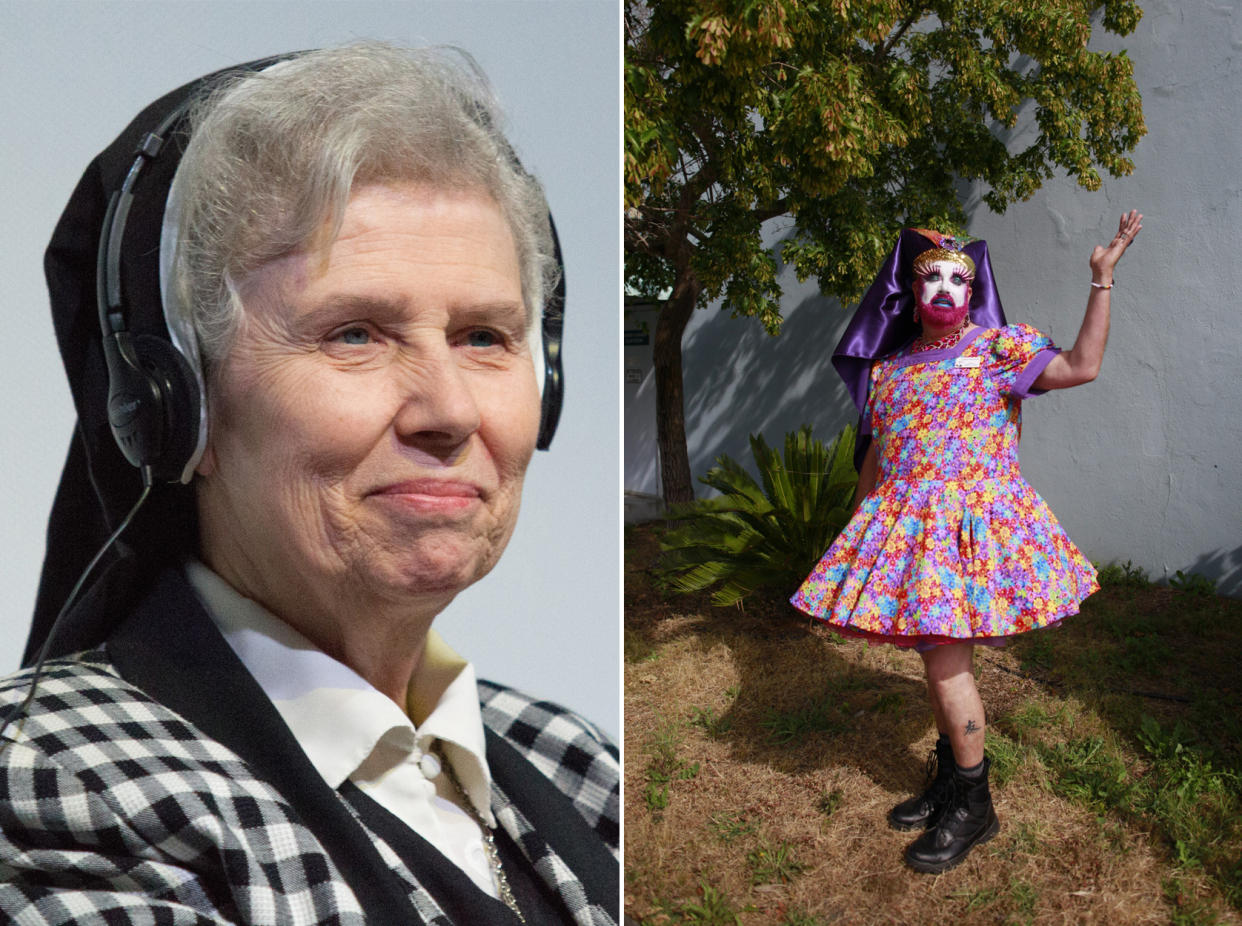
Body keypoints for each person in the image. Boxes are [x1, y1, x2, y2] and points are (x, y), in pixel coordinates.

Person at [0, 43, 618, 924]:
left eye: (485, 336)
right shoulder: (53, 786)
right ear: (177, 406)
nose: (448, 409)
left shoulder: (581, 763)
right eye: (355, 335)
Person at [791, 212, 1142, 874]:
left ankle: (975, 804)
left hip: (972, 530)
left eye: (960, 278)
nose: (947, 288)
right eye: (934, 279)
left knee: (947, 664)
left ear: (973, 292)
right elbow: (879, 458)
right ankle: (953, 777)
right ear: (910, 295)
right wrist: (864, 542)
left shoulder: (996, 350)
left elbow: (1082, 365)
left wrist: (1101, 281)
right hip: (908, 535)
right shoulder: (889, 370)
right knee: (933, 658)